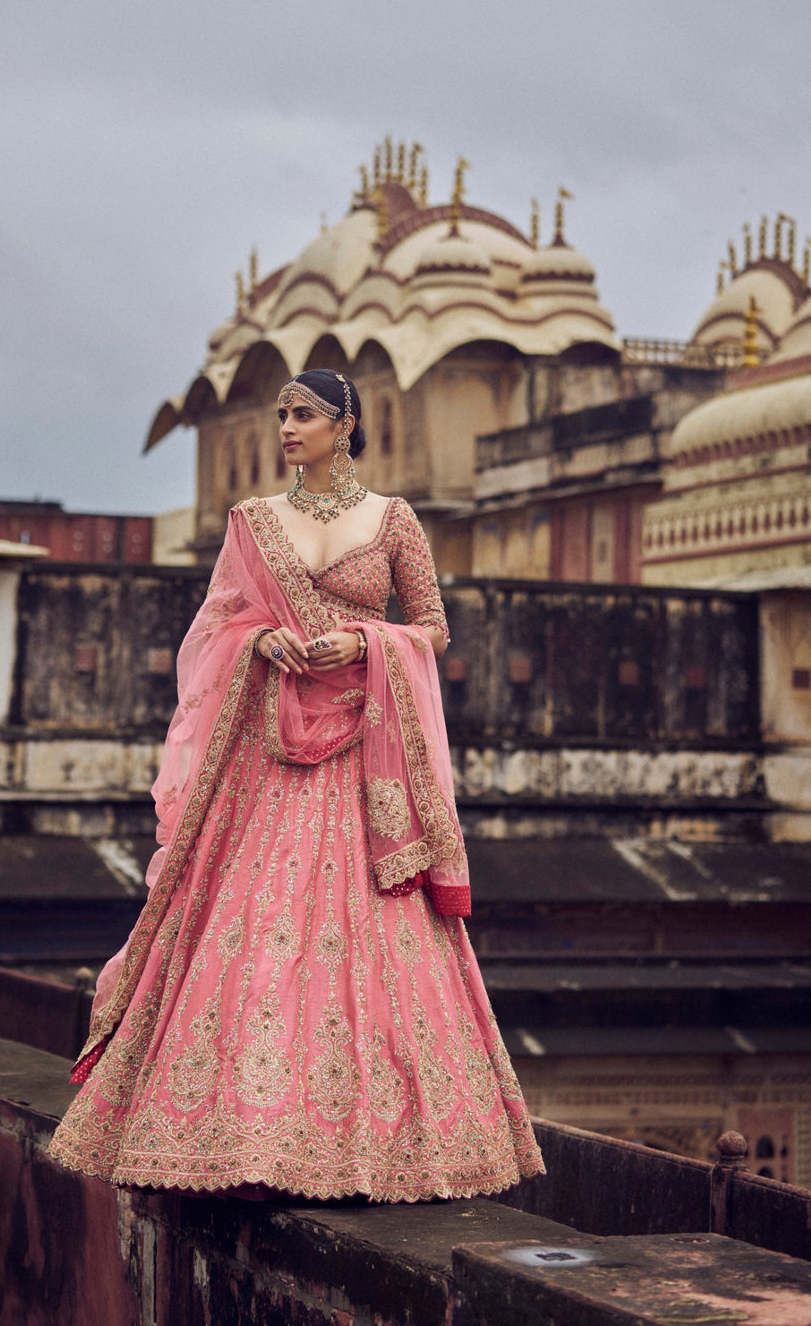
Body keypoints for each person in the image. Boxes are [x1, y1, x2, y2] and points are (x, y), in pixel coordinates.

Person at [48, 370, 544, 1201]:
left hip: (365, 763)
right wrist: (261, 642)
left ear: (345, 425)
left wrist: (363, 644)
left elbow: (430, 627)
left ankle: (372, 1147)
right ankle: (237, 1138)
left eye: (302, 414)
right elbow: (214, 629)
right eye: (280, 413)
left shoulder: (393, 520)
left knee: (369, 937)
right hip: (266, 756)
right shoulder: (253, 523)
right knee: (254, 931)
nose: (285, 427)